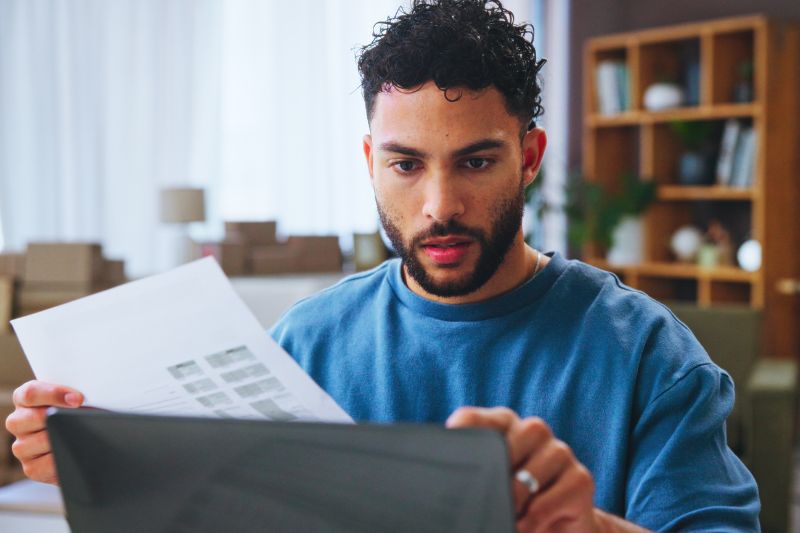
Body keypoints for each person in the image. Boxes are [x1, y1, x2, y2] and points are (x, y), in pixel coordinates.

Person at [6, 1, 760, 531]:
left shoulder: (649, 356)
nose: (440, 204)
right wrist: (109, 466)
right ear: (371, 161)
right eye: (406, 164)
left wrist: (586, 528)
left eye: (476, 161)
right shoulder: (306, 342)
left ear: (527, 158)